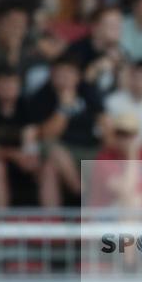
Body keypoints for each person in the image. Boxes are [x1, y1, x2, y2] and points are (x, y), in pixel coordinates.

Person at [31, 53, 104, 207]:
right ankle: (81, 193)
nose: (65, 77)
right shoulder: (41, 97)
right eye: (61, 72)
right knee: (50, 159)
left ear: (78, 76)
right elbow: (45, 134)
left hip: (90, 149)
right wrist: (63, 108)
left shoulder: (88, 92)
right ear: (52, 75)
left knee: (50, 167)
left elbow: (104, 122)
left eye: (69, 72)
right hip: (62, 150)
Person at [0, 65, 41, 208]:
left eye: (12, 83)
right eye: (3, 83)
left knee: (42, 165)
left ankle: (50, 217)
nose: (7, 88)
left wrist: (29, 157)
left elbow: (30, 139)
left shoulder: (25, 105)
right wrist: (12, 154)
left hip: (19, 160)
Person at [104, 61, 142, 152]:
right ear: (130, 78)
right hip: (119, 154)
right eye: (138, 77)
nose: (141, 83)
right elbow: (107, 137)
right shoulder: (113, 102)